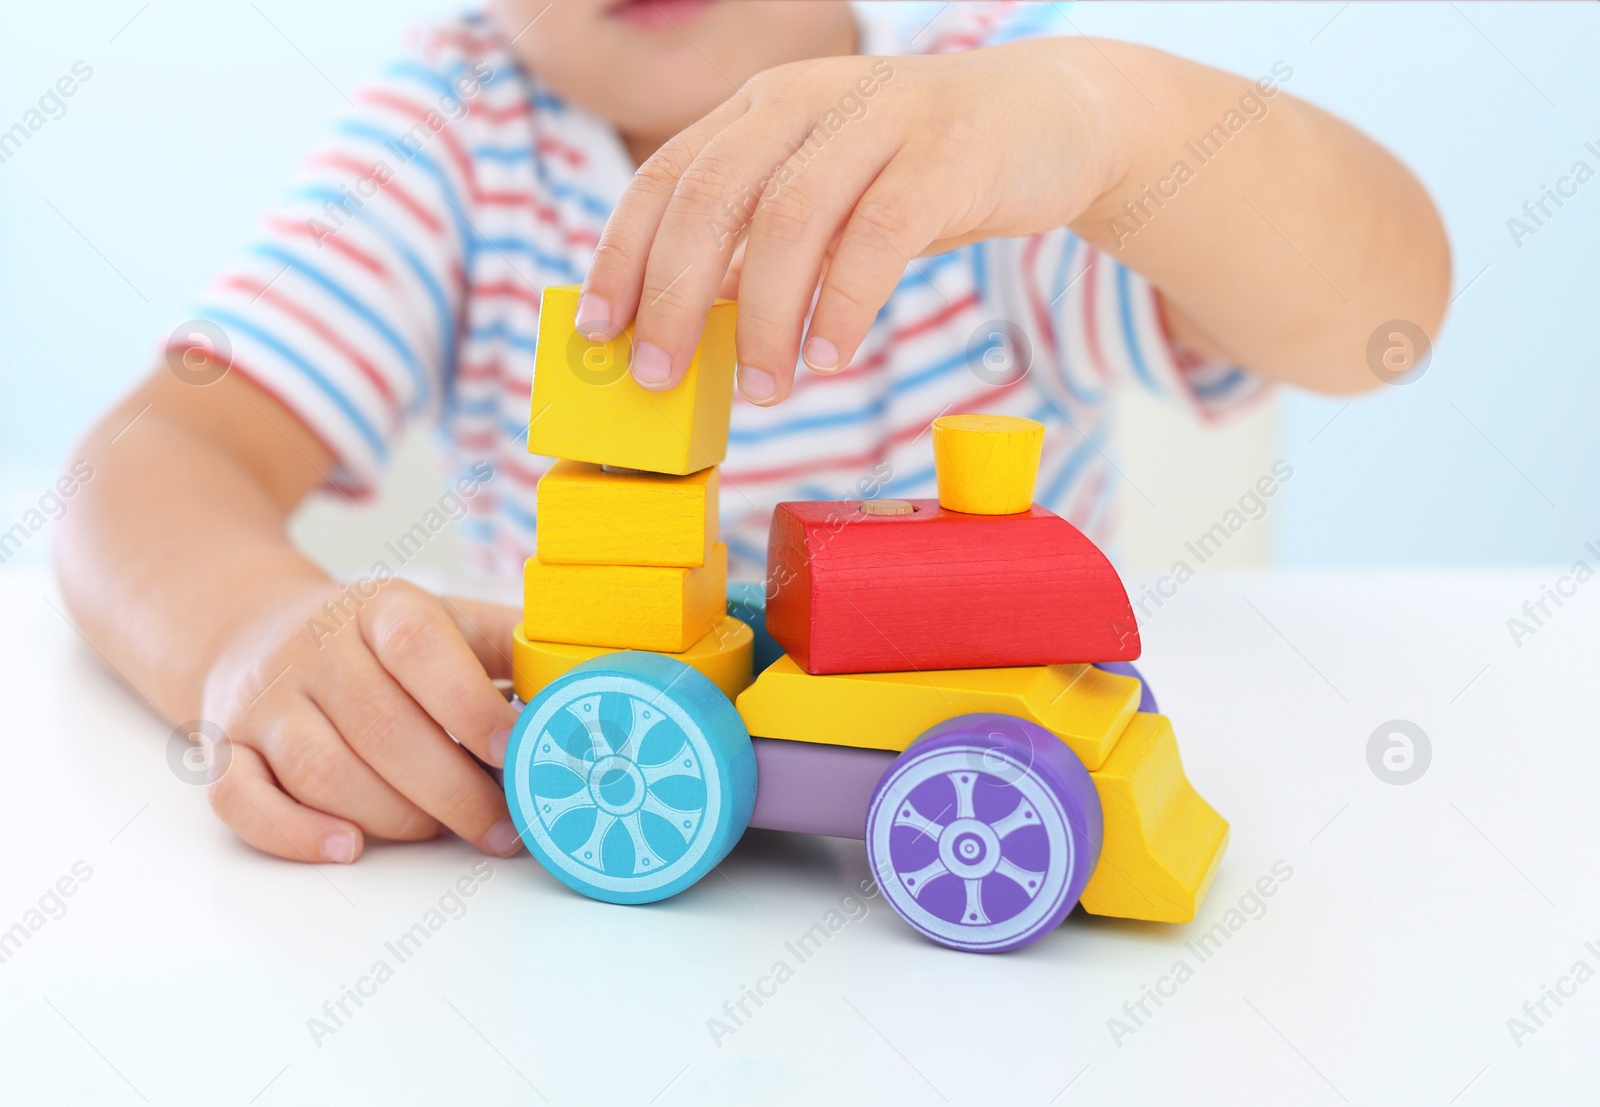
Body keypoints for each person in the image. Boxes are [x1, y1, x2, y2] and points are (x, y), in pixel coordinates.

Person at [53, 1, 1450, 864]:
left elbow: (1385, 315)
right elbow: (143, 467)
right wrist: (248, 635)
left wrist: (1111, 124)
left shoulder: (986, 109)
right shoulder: (458, 132)